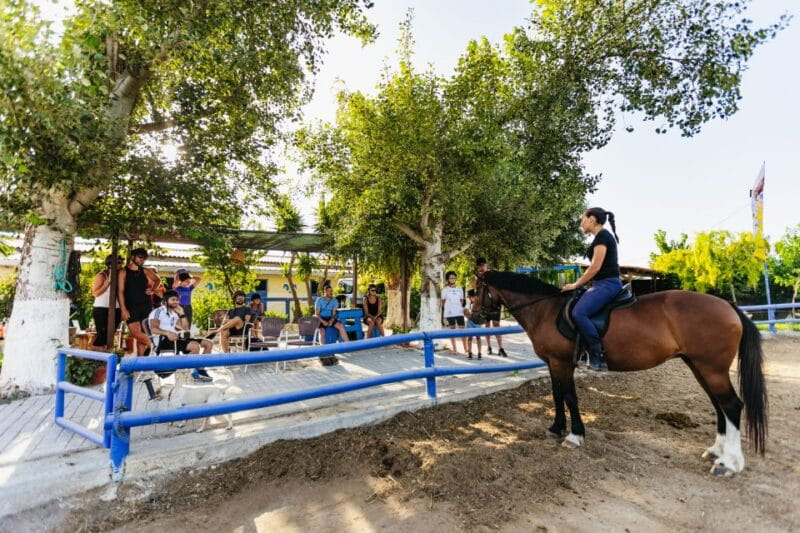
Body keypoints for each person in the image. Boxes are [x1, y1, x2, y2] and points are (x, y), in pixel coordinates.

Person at [561, 207, 621, 372]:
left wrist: (575, 284)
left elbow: (595, 267)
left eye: (583, 219)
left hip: (607, 283)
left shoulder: (602, 237)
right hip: (601, 283)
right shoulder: (600, 237)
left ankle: (598, 354)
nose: (581, 222)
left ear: (592, 219)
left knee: (578, 313)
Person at [148, 290, 213, 382]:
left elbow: (185, 327)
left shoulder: (174, 314)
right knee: (195, 346)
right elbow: (153, 329)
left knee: (208, 343)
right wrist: (167, 333)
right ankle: (190, 371)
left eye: (177, 300)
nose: (176, 302)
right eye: (173, 299)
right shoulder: (158, 312)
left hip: (175, 339)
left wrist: (182, 313)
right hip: (163, 340)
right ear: (166, 300)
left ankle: (199, 369)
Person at [118, 248, 153, 356]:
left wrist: (152, 289)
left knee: (142, 334)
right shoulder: (123, 271)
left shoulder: (145, 271)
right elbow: (120, 291)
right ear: (132, 257)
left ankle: (141, 362)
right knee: (135, 333)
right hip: (131, 307)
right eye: (140, 257)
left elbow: (157, 280)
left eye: (144, 259)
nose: (142, 260)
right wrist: (123, 309)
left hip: (146, 305)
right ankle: (154, 346)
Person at [476, 258, 507, 357]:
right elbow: (475, 290)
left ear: (486, 265)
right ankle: (489, 347)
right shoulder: (477, 277)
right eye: (480, 265)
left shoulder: (493, 275)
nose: (481, 267)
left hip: (494, 305)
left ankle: (500, 347)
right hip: (484, 306)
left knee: (496, 325)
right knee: (487, 326)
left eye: (483, 265)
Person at [91, 254, 123, 351]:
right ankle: (94, 354)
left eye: (121, 262)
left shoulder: (121, 275)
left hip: (116, 308)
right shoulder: (102, 275)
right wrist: (107, 283)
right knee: (102, 334)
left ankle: (106, 356)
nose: (120, 264)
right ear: (110, 264)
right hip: (101, 308)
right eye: (118, 262)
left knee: (111, 334)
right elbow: (95, 293)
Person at [441, 271, 468, 353]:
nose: (452, 279)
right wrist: (447, 308)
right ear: (448, 279)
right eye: (450, 278)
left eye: (454, 277)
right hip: (450, 313)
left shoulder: (460, 289)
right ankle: (454, 349)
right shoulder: (445, 290)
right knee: (452, 330)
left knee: (463, 331)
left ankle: (466, 349)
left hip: (459, 312)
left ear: (456, 278)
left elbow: (462, 300)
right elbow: (443, 301)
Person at [464, 289, 483, 360]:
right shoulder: (468, 304)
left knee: (478, 337)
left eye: (470, 297)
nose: (471, 298)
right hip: (470, 322)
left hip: (477, 321)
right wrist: (468, 315)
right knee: (470, 338)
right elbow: (466, 313)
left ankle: (479, 353)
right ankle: (470, 352)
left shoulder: (478, 303)